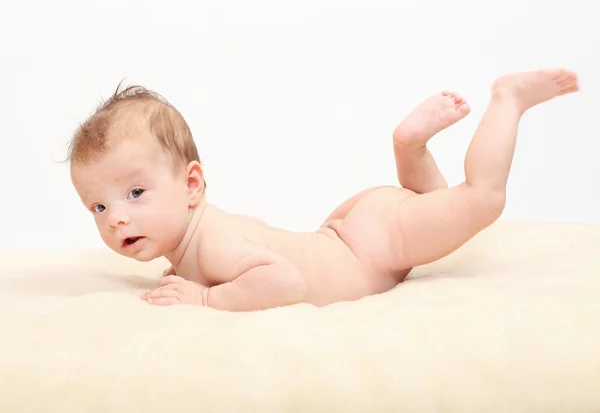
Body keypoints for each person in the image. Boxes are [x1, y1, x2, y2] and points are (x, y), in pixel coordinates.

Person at [68, 68, 579, 311]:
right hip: (347, 231)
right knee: (435, 209)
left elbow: (285, 281)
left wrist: (206, 301)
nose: (115, 217)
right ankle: (410, 149)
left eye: (135, 193)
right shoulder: (196, 242)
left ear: (192, 185)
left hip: (370, 246)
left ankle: (507, 100)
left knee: (480, 199)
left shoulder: (214, 244)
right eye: (97, 205)